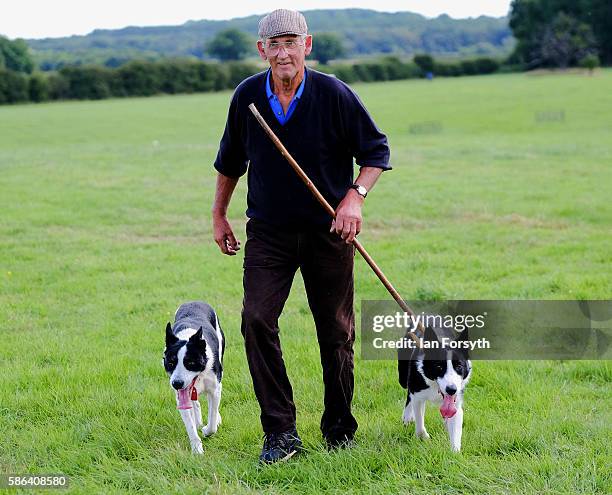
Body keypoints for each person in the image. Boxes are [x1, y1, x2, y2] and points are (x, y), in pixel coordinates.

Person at [211, 8, 391, 464]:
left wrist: (355, 197)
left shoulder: (333, 93)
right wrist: (218, 214)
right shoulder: (247, 97)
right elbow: (230, 162)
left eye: (292, 42)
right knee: (255, 319)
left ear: (307, 45)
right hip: (268, 234)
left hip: (328, 231)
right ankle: (280, 433)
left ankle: (339, 430)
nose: (284, 51)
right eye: (274, 44)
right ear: (262, 50)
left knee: (336, 333)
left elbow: (376, 150)